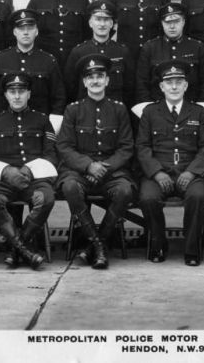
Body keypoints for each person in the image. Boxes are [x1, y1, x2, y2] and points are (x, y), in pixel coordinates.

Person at [56, 54, 135, 270]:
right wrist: (88, 166)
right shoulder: (73, 110)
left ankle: (94, 244)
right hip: (79, 171)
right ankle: (99, 245)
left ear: (107, 80)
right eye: (90, 77)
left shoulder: (119, 109)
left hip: (111, 171)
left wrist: (104, 167)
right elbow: (64, 146)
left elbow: (126, 146)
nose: (95, 81)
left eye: (100, 76)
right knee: (70, 187)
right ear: (84, 82)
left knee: (125, 190)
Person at [135, 60, 204, 266]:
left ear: (186, 85)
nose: (174, 86)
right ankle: (158, 245)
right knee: (148, 198)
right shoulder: (150, 112)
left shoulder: (198, 112)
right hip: (159, 172)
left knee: (198, 197)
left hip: (190, 172)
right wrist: (156, 173)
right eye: (169, 82)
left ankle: (192, 250)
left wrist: (192, 172)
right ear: (161, 87)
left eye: (179, 82)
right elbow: (142, 147)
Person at [0, 72, 57, 270]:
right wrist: (6, 171)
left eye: (21, 91)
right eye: (12, 92)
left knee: (46, 198)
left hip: (34, 180)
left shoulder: (42, 120)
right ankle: (25, 250)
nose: (16, 96)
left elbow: (51, 155)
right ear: (5, 95)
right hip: (3, 181)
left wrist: (30, 170)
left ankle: (17, 247)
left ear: (29, 94)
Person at [0, 9, 66, 132]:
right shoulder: (0, 59)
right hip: (4, 129)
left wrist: (51, 129)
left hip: (39, 129)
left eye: (30, 28)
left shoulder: (48, 60)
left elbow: (59, 98)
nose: (26, 32)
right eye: (21, 29)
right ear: (14, 32)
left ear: (36, 31)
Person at [134, 2, 204, 118]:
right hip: (157, 113)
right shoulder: (150, 48)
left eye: (176, 21)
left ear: (183, 22)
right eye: (167, 22)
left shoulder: (198, 47)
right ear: (162, 23)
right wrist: (150, 113)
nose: (172, 26)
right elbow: (142, 85)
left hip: (192, 111)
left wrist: (200, 113)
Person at [64, 0, 135, 108]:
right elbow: (70, 88)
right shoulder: (78, 52)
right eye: (98, 19)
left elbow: (129, 88)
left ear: (111, 24)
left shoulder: (123, 52)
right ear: (90, 23)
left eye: (106, 20)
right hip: (85, 114)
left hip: (115, 113)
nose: (102, 24)